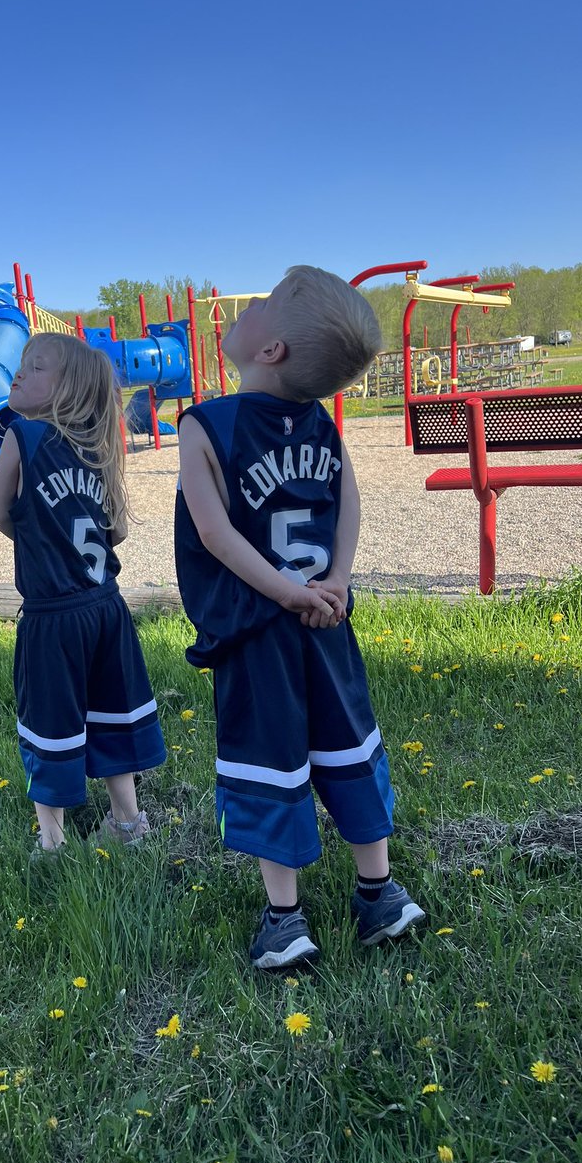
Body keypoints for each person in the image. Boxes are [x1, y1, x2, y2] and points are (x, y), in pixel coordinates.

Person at [175, 266, 425, 969]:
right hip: (327, 621)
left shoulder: (207, 423)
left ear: (272, 349)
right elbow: (350, 504)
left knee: (268, 762)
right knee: (349, 745)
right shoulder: (321, 423)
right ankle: (377, 893)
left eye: (267, 301)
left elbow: (216, 535)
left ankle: (285, 920)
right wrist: (337, 581)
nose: (250, 301)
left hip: (261, 629)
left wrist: (286, 594)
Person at [0, 332, 166, 852]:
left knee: (49, 723)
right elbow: (119, 531)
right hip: (105, 608)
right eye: (21, 364)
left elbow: (1, 514)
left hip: (52, 616)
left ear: (68, 389)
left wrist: (39, 537)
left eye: (36, 366)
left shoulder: (21, 436)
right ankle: (128, 820)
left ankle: (52, 839)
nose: (20, 373)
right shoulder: (99, 447)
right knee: (111, 709)